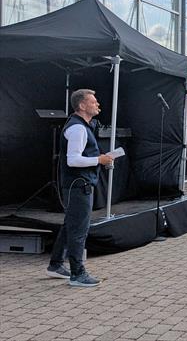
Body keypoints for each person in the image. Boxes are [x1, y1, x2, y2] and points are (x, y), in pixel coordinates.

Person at [46, 89, 114, 286]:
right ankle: (77, 274)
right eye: (93, 102)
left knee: (70, 225)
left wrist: (99, 159)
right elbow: (73, 160)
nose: (97, 104)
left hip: (78, 184)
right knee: (78, 229)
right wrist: (99, 160)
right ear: (82, 106)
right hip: (78, 185)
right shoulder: (78, 128)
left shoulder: (81, 126)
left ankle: (55, 265)